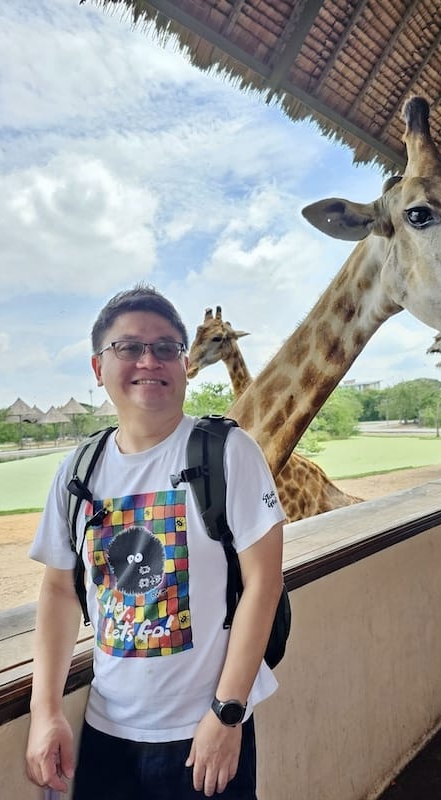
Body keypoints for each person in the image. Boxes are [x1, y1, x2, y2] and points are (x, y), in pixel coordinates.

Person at [25, 284, 285, 799]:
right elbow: (58, 591)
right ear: (99, 369)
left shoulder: (229, 453)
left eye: (166, 347)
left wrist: (228, 714)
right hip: (106, 736)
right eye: (129, 347)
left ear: (185, 364)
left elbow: (264, 582)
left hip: (204, 734)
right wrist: (45, 712)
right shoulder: (78, 471)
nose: (150, 360)